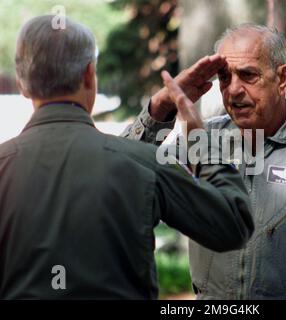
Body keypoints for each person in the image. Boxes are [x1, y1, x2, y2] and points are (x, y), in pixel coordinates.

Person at [123, 23, 286, 299]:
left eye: (248, 75)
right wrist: (162, 105)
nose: (234, 90)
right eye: (225, 78)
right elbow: (118, 176)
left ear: (283, 78)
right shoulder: (201, 141)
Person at [0, 15, 254, 299]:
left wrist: (157, 111)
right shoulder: (141, 163)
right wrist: (200, 141)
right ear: (88, 75)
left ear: (22, 84)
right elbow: (232, 224)